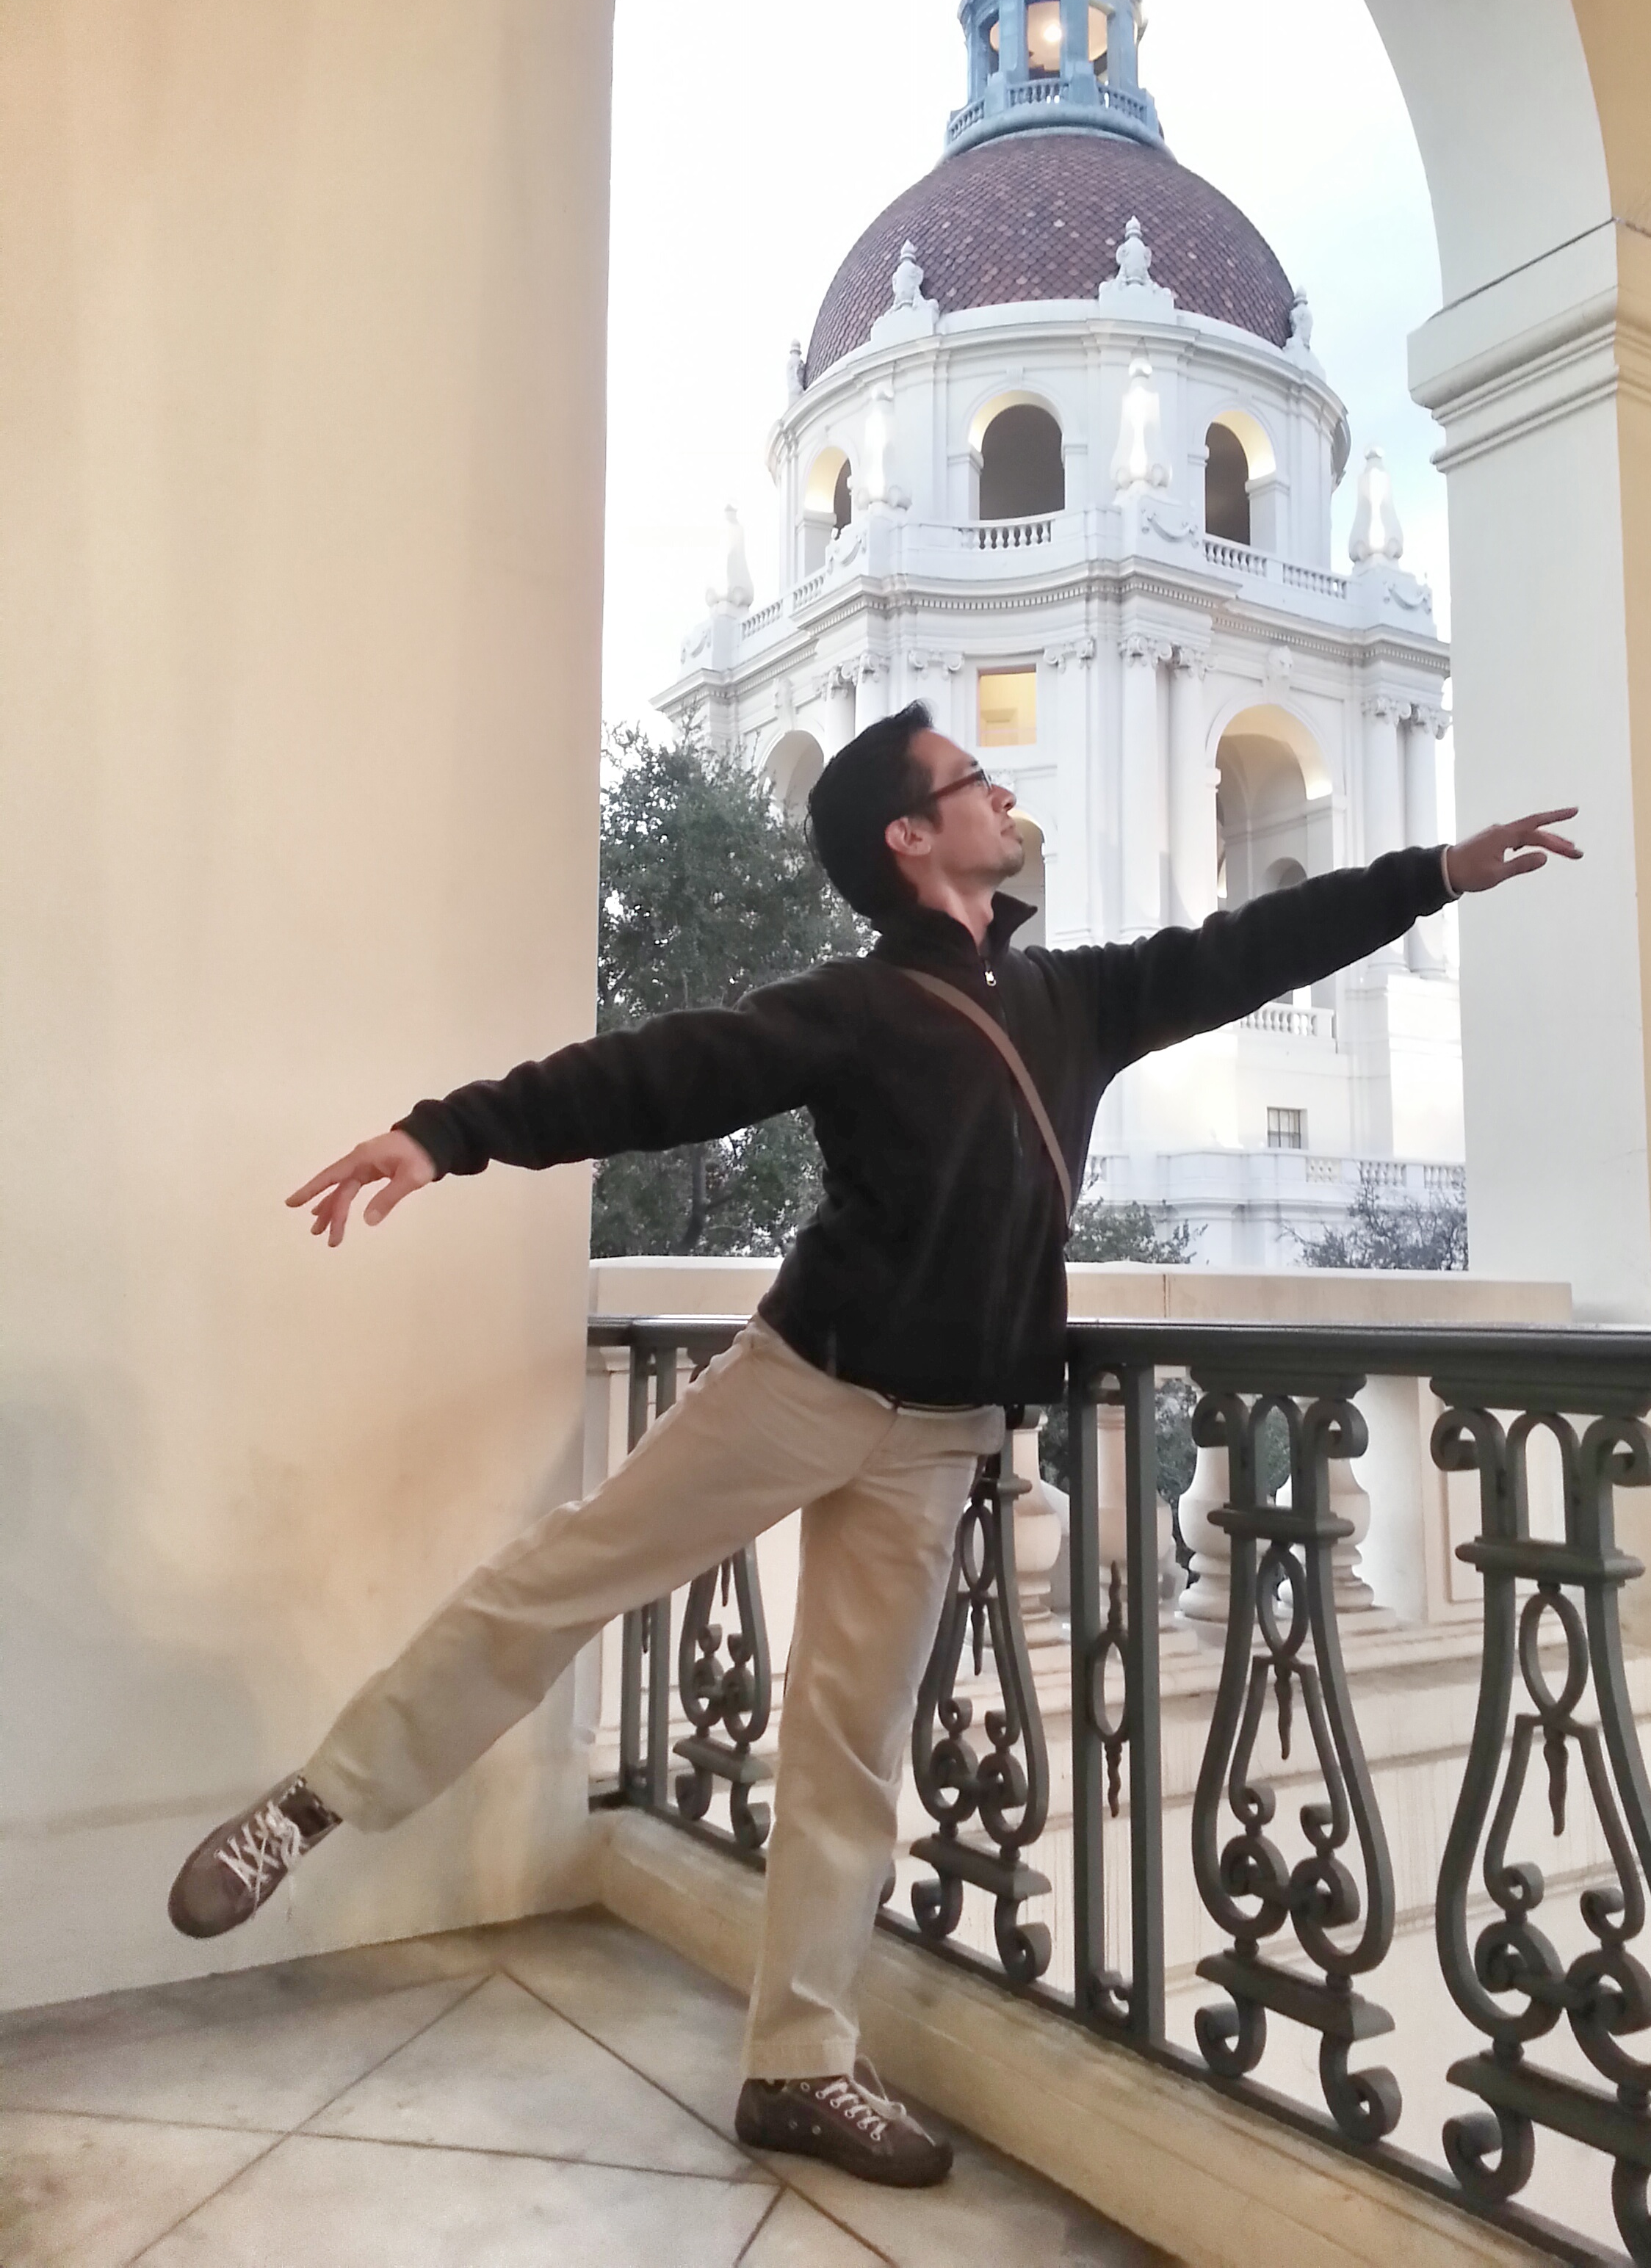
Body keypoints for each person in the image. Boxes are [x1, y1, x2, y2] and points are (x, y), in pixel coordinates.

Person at [167, 703, 1580, 2187]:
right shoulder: (854, 1005)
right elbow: (657, 1077)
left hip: (942, 1435)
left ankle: (796, 2066)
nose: (1000, 789)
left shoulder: (1076, 1001)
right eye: (973, 780)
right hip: (804, 1386)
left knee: (848, 1755)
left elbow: (1246, 951)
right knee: (560, 1580)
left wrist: (1436, 874)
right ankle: (320, 1800)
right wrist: (441, 1136)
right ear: (911, 839)